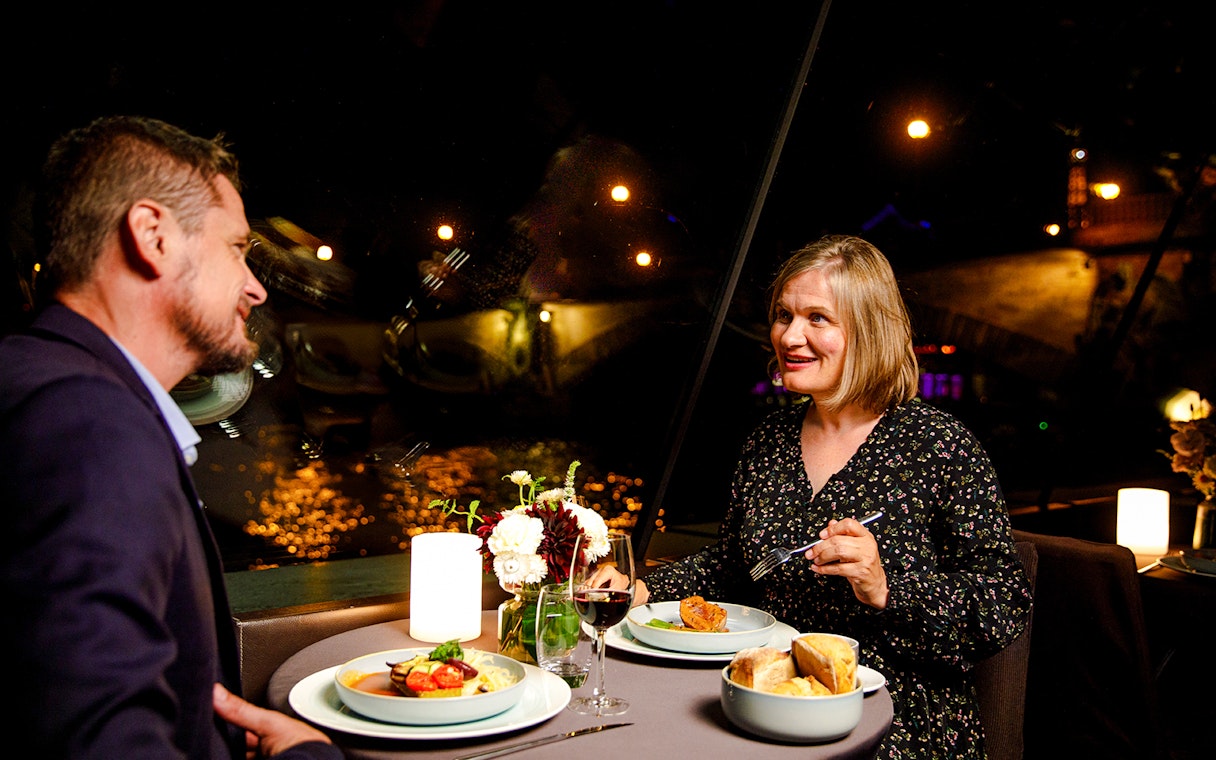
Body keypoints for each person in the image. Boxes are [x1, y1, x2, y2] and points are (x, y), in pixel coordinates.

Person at [0, 115, 342, 759]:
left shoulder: (38, 378)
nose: (256, 286)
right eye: (237, 249)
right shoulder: (88, 425)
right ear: (152, 236)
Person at [635, 235, 1033, 758]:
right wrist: (641, 590)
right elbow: (735, 566)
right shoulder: (769, 440)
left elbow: (1003, 604)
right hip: (768, 701)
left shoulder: (940, 444)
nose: (790, 335)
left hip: (895, 721)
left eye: (817, 318)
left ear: (868, 331)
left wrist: (886, 588)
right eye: (783, 315)